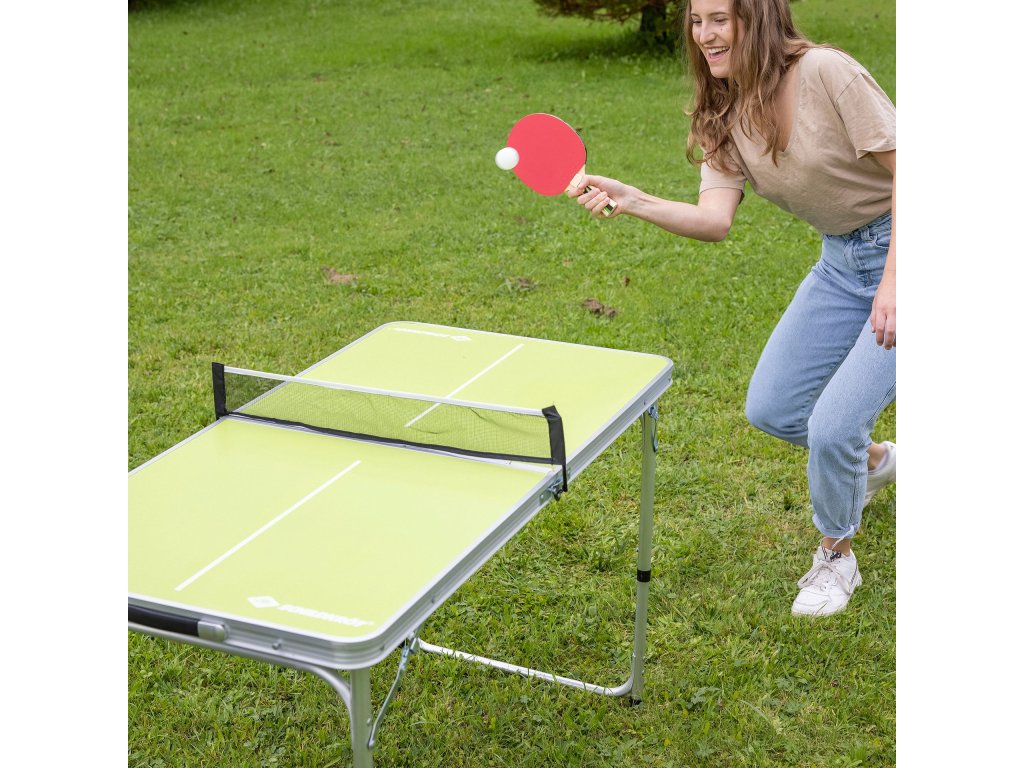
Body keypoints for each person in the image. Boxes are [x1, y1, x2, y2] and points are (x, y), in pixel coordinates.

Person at [568, 0, 896, 617]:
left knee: (834, 426)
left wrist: (896, 282)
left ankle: (836, 555)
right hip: (842, 261)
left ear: (757, 16)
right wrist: (633, 199)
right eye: (697, 21)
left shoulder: (826, 72)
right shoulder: (723, 107)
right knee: (774, 408)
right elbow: (714, 220)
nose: (705, 34)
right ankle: (877, 463)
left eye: (720, 18)